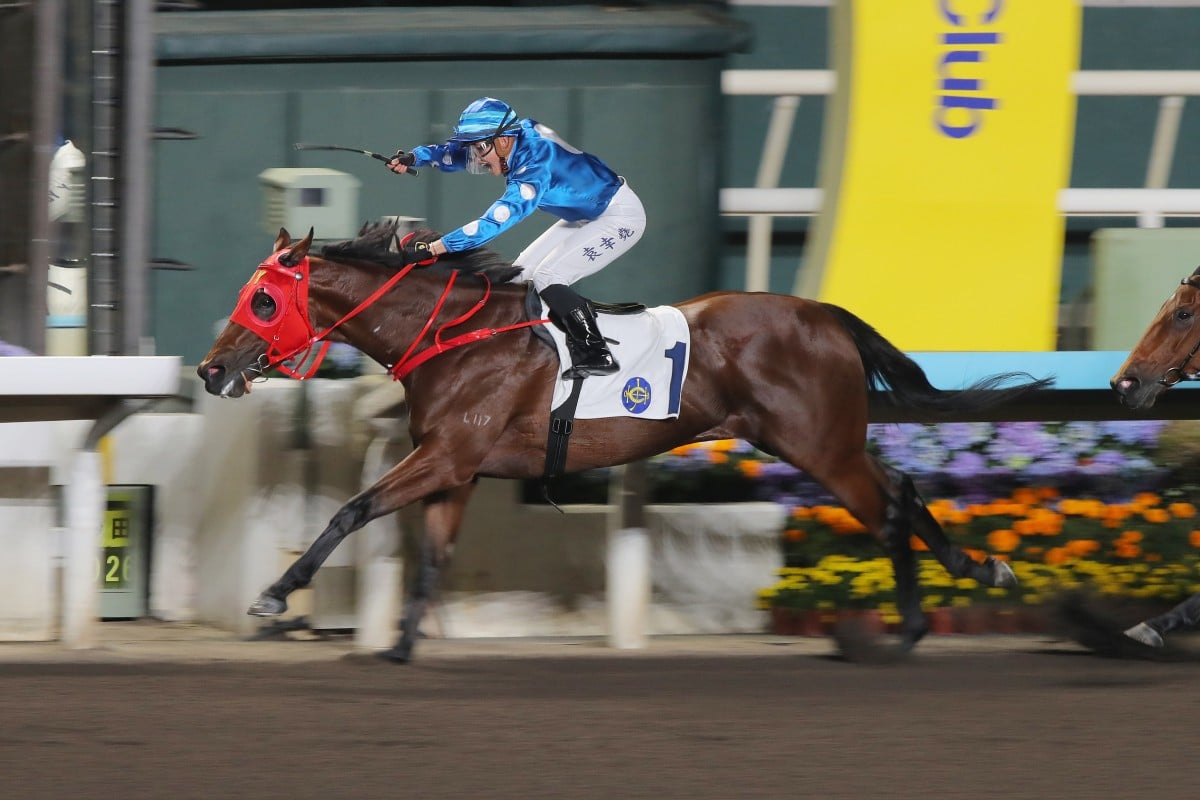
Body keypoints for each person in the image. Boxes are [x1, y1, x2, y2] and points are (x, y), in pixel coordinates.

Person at [386, 97, 645, 380]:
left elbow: (490, 225)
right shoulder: (512, 136)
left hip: (618, 217)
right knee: (519, 275)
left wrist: (435, 248)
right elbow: (459, 154)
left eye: (480, 147)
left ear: (505, 141)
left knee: (549, 275)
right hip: (587, 214)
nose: (478, 157)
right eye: (474, 147)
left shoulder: (533, 167)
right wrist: (416, 157)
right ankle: (531, 346)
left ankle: (598, 353)